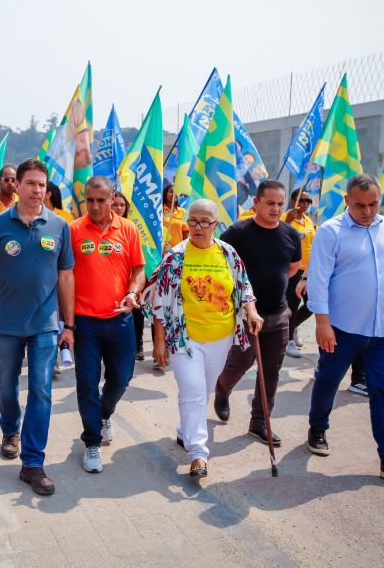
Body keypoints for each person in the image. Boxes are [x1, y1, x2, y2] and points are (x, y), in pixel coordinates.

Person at [306, 174, 384, 481]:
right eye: (360, 205)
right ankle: (318, 428)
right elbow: (318, 280)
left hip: (382, 329)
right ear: (347, 201)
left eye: (373, 204)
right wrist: (322, 323)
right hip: (342, 328)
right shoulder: (330, 232)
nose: (368, 211)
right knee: (328, 380)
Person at [0, 158, 74, 496]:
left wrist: (68, 325)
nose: (37, 190)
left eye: (42, 185)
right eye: (30, 183)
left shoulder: (59, 227)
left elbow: (65, 277)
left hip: (45, 326)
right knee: (6, 384)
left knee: (42, 390)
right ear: (17, 185)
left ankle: (33, 463)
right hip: (9, 325)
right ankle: (9, 430)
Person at [146, 199, 262, 477]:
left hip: (220, 336)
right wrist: (159, 341)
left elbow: (243, 286)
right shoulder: (176, 257)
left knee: (204, 390)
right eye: (193, 221)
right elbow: (160, 301)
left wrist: (252, 311)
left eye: (204, 222)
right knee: (194, 390)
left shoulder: (227, 253)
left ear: (215, 225)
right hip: (183, 337)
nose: (197, 227)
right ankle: (198, 453)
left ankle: (185, 430)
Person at [213, 180, 302, 446]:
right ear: (256, 203)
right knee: (241, 362)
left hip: (278, 315)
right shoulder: (237, 233)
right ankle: (222, 389)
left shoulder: (291, 234)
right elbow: (220, 266)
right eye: (270, 203)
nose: (276, 209)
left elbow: (293, 267)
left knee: (271, 370)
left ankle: (259, 422)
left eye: (280, 203)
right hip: (244, 316)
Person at [69, 176, 145, 473]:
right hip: (85, 322)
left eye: (102, 200)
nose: (96, 206)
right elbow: (64, 275)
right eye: (90, 200)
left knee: (122, 378)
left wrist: (133, 291)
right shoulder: (74, 230)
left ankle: (104, 413)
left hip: (120, 319)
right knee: (86, 383)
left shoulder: (127, 229)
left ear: (113, 198)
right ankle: (91, 443)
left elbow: (138, 268)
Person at [111, 191, 148, 361]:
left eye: (122, 205)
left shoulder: (132, 227)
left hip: (135, 277)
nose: (119, 208)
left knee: (136, 312)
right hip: (115, 279)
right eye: (115, 204)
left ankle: (138, 344)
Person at [283, 188, 316, 359]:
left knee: (312, 304)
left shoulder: (309, 221)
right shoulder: (286, 218)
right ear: (292, 201)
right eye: (302, 200)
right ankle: (288, 341)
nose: (306, 204)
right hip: (293, 269)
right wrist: (288, 221)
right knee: (293, 304)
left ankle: (292, 326)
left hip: (308, 271)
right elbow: (278, 235)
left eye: (309, 201)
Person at [163, 183, 189, 250]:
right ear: (165, 194)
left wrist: (183, 250)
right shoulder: (159, 210)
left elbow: (186, 234)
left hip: (177, 252)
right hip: (161, 251)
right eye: (171, 192)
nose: (174, 194)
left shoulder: (183, 212)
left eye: (176, 192)